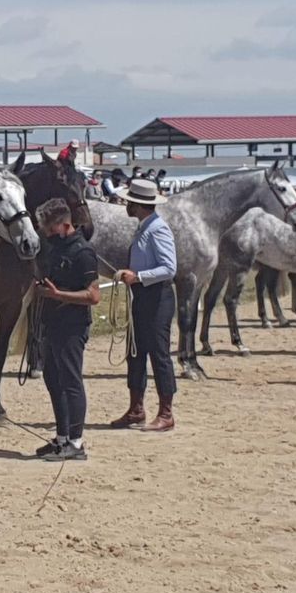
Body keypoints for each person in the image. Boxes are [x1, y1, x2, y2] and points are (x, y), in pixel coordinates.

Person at [33, 198, 101, 461]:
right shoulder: (55, 248)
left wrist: (58, 294)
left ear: (64, 225)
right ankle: (61, 438)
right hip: (52, 323)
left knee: (71, 381)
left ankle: (76, 442)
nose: (46, 234)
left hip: (72, 325)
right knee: (53, 379)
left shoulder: (83, 253)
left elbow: (94, 296)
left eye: (49, 228)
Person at [110, 179, 177, 431]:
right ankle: (136, 409)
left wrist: (138, 277)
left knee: (159, 354)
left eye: (129, 201)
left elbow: (169, 268)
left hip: (156, 297)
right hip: (141, 295)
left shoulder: (158, 229)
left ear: (138, 204)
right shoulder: (143, 227)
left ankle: (166, 412)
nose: (126, 204)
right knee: (135, 351)